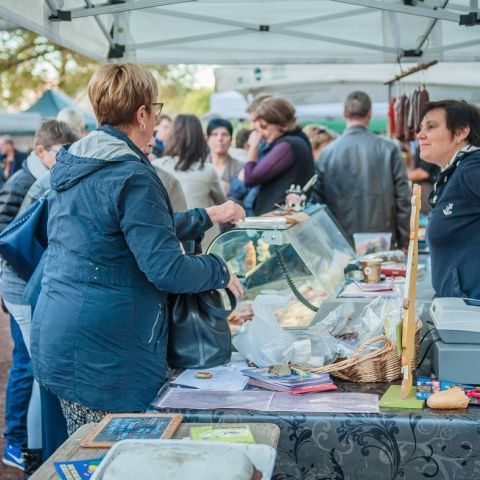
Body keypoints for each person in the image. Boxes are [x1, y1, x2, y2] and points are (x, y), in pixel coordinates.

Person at [30, 64, 244, 437]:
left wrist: (203, 216)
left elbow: (116, 229)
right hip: (107, 349)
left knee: (90, 454)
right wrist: (218, 269)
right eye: (155, 110)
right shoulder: (132, 173)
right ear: (142, 113)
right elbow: (167, 269)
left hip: (62, 330)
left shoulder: (77, 161)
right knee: (112, 457)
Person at [1, 120, 78, 471]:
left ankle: (24, 444)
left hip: (27, 282)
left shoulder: (40, 177)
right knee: (31, 366)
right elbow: (9, 237)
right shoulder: (28, 181)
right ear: (41, 151)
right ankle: (21, 445)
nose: (64, 160)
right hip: (21, 284)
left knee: (29, 364)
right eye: (60, 154)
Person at [312, 91, 411, 248]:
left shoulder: (327, 153)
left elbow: (316, 202)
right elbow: (403, 199)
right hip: (381, 239)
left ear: (344, 114)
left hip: (339, 241)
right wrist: (405, 240)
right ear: (370, 114)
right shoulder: (389, 149)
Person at [417, 99, 480, 299]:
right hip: (459, 310)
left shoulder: (472, 168)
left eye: (431, 126)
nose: (420, 135)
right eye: (421, 128)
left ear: (461, 132)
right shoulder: (455, 170)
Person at [154, 114, 227, 248]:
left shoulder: (157, 167)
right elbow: (223, 205)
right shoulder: (208, 171)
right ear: (200, 139)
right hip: (205, 243)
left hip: (170, 241)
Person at [240, 97, 314, 215]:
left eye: (264, 127)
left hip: (279, 220)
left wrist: (253, 146)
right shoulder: (295, 140)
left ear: (281, 125)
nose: (261, 133)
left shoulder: (288, 145)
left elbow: (250, 178)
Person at [206, 118, 243, 198]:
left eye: (225, 135)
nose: (220, 139)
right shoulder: (199, 166)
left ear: (231, 140)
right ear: (207, 139)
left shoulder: (240, 168)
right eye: (215, 134)